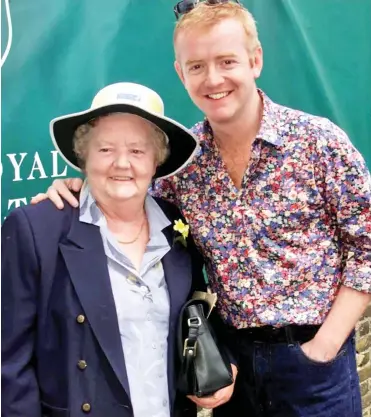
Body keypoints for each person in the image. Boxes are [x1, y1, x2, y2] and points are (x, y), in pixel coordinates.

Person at [31, 1, 371, 416]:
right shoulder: (182, 165)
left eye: (226, 61)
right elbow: (127, 193)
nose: (213, 79)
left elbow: (366, 245)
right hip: (234, 367)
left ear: (255, 60)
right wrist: (76, 186)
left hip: (314, 361)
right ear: (181, 73)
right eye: (196, 66)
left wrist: (324, 346)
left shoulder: (319, 143)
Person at [2, 82, 237, 417]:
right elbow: (8, 364)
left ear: (157, 161)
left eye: (138, 151)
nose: (122, 164)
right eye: (106, 149)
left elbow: (198, 314)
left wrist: (222, 361)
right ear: (83, 157)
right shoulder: (35, 229)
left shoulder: (176, 226)